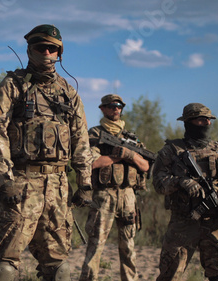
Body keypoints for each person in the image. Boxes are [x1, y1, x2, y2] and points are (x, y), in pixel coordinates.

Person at [0, 24, 93, 281]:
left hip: (57, 188)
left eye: (52, 48)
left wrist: (85, 182)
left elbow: (81, 138)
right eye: (40, 47)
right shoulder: (13, 85)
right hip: (20, 185)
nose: (46, 52)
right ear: (29, 50)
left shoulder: (69, 92)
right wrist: (4, 180)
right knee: (4, 268)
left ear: (59, 54)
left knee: (59, 268)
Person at [152, 103, 218, 281]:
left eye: (208, 120)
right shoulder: (171, 152)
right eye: (201, 120)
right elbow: (158, 184)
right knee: (169, 275)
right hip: (183, 223)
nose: (207, 124)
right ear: (188, 122)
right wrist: (181, 182)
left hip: (216, 223)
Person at [75, 94, 150, 281]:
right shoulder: (94, 134)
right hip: (104, 195)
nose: (116, 109)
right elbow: (91, 162)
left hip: (128, 196)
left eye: (119, 106)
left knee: (128, 247)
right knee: (96, 246)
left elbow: (146, 166)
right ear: (102, 109)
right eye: (111, 106)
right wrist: (119, 157)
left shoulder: (130, 138)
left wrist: (130, 156)